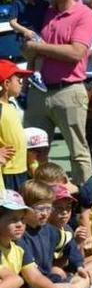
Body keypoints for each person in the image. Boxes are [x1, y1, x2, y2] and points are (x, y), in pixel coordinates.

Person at [22, 0, 92, 185]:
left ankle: (83, 202)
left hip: (69, 91)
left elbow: (76, 53)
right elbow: (28, 48)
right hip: (38, 90)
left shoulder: (84, 14)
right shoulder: (45, 11)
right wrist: (29, 51)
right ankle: (40, 198)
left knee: (77, 151)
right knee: (33, 150)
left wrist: (40, 47)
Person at [0, 189, 69, 288]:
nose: (19, 225)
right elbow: (15, 281)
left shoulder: (18, 249)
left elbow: (34, 277)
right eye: (12, 220)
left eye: (22, 220)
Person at [9, 0, 49, 81]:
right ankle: (36, 75)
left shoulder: (43, 3)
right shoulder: (17, 3)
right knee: (42, 52)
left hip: (39, 35)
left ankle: (27, 86)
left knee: (34, 60)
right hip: (25, 38)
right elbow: (12, 22)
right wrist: (24, 30)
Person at [0, 60, 31, 191]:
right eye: (18, 79)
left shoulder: (11, 105)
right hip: (7, 172)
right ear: (6, 84)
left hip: (20, 169)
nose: (21, 82)